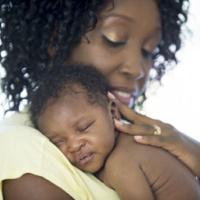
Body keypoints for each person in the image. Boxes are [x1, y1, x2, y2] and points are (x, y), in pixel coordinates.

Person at [0, 0, 199, 199]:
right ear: (56, 38)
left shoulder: (137, 142)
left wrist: (191, 151)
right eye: (115, 39)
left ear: (111, 109)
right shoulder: (22, 149)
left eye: (148, 51)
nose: (137, 70)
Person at [29, 63, 200, 200]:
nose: (74, 145)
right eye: (58, 142)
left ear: (112, 112)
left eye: (84, 128)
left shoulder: (121, 163)